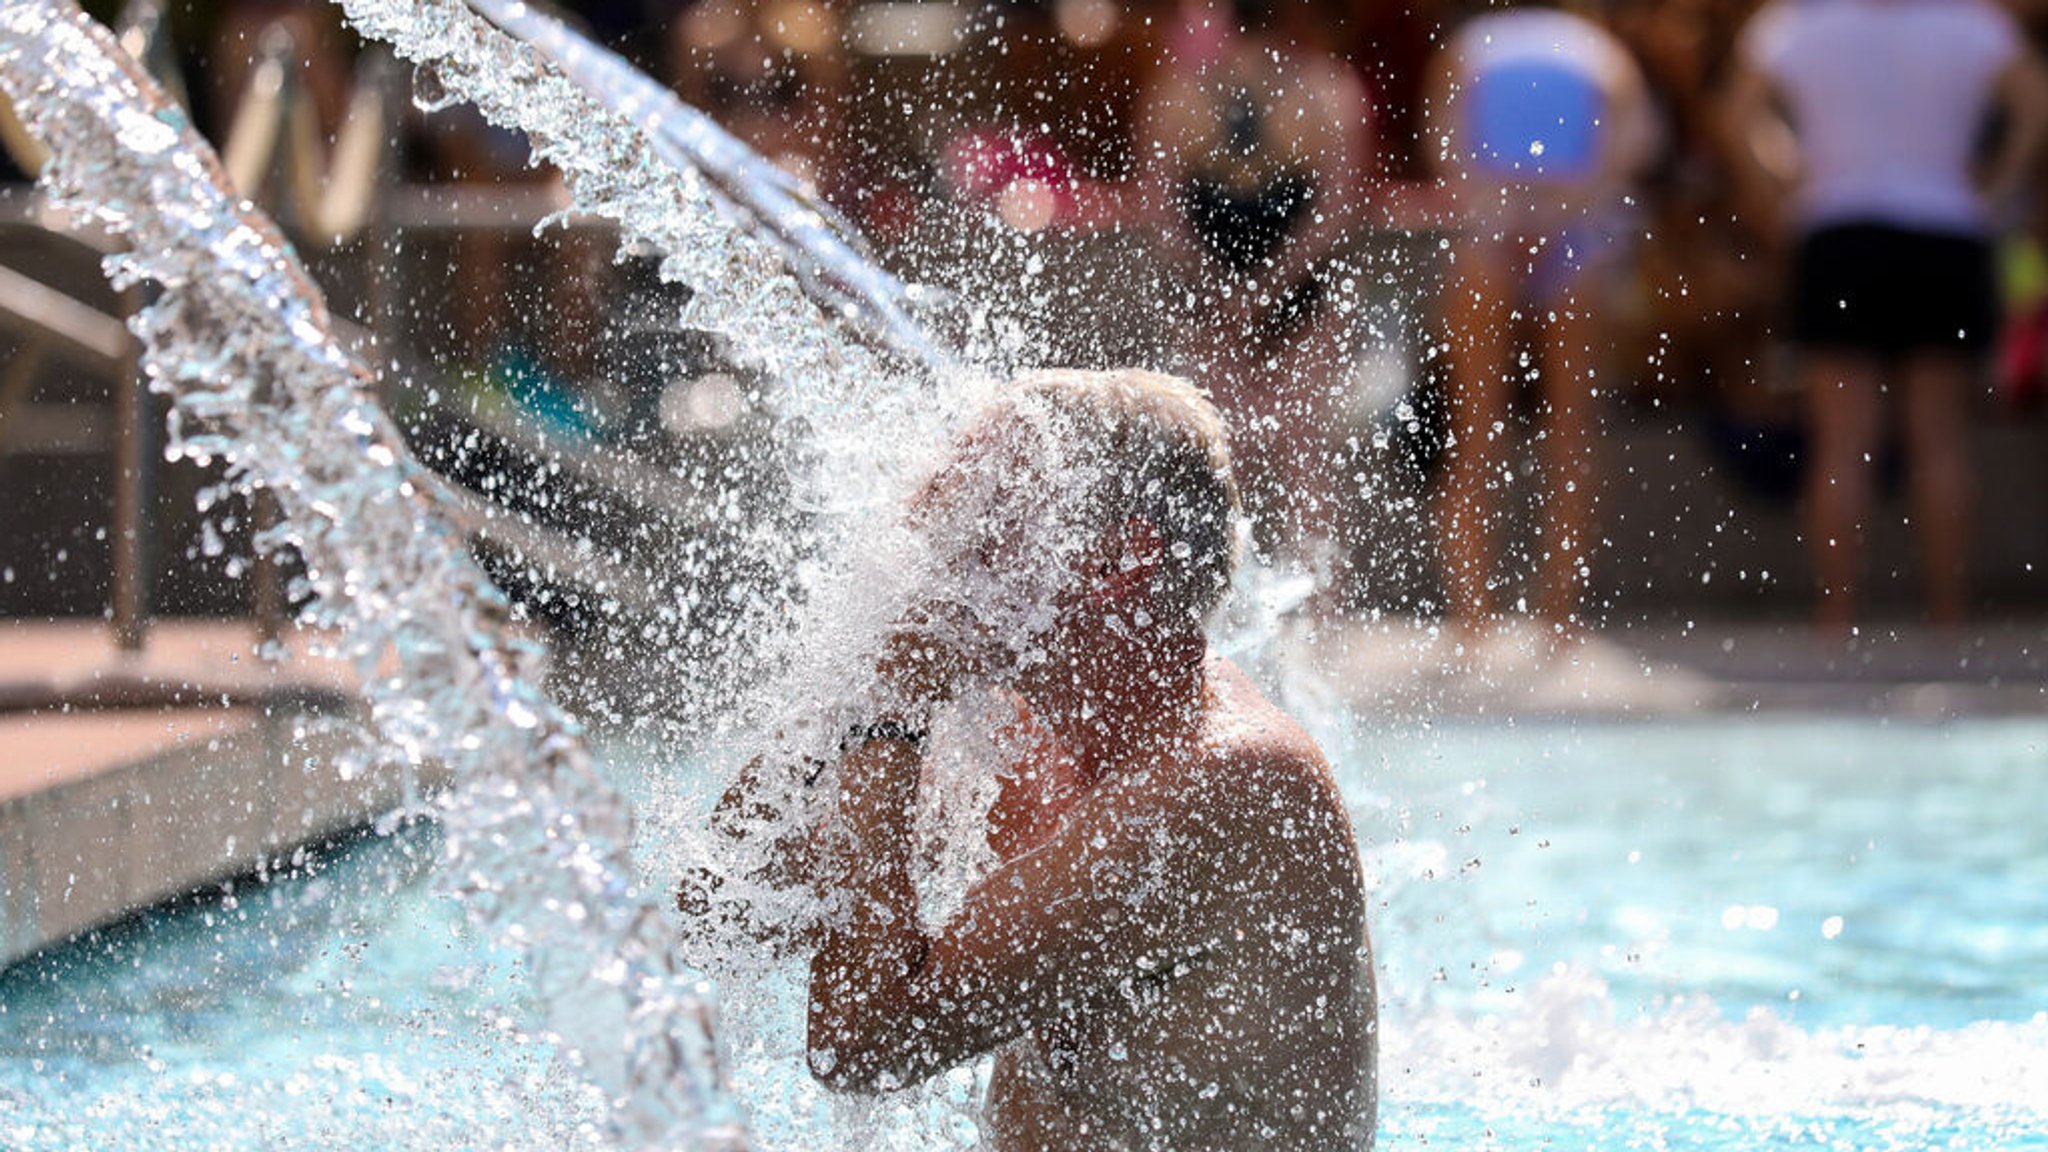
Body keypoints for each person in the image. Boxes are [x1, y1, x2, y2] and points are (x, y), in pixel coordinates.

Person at [688, 369, 1377, 1151]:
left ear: (1120, 558)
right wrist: (856, 660)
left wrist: (884, 715)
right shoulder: (1023, 733)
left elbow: (859, 1044)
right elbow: (725, 906)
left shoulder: (1228, 781)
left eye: (985, 501)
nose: (935, 531)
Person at [1728, 0, 2048, 633]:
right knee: (1941, 438)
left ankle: (1837, 617)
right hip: (1944, 233)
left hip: (1838, 232)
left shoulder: (1797, 23)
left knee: (1842, 440)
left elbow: (1740, 112)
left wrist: (1785, 178)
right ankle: (1947, 616)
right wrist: (1994, 185)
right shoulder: (1973, 24)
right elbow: (2035, 104)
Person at [1423, 1, 1659, 640]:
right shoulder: (1597, 48)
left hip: (1492, 232)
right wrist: (1562, 206)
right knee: (1573, 432)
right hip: (1576, 232)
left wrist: (1506, 207)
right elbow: (1635, 143)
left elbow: (1441, 142)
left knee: (1474, 430)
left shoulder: (1474, 44)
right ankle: (1559, 618)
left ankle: (1472, 619)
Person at [1135, 0, 1375, 564]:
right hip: (1294, 286)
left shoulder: (1177, 94)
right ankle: (1319, 616)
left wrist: (1225, 291)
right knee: (1308, 461)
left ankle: (1212, 606)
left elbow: (1162, 214)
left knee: (1215, 460)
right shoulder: (1328, 89)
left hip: (1213, 290)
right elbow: (1336, 212)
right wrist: (1269, 288)